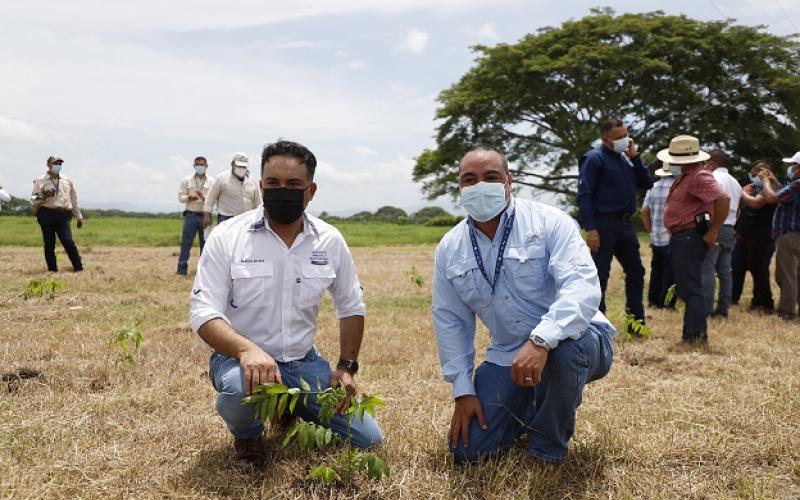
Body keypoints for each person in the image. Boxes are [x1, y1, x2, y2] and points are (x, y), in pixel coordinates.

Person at [189, 140, 381, 466]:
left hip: (302, 362)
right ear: (261, 186)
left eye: (293, 184)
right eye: (273, 183)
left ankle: (290, 405)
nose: (282, 191)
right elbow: (203, 312)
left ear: (311, 190)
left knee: (368, 438)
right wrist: (245, 350)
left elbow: (351, 306)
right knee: (238, 390)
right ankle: (248, 436)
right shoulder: (228, 236)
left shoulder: (329, 240)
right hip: (240, 361)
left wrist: (346, 368)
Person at [433, 146, 616, 464]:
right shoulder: (451, 247)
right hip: (508, 354)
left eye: (491, 177)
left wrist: (542, 340)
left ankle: (547, 448)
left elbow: (581, 288)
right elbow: (450, 320)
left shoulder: (550, 223)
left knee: (564, 352)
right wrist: (463, 390)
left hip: (579, 340)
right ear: (460, 187)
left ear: (509, 181)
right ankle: (534, 407)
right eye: (469, 179)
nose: (480, 186)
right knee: (468, 451)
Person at [578, 118, 654, 330]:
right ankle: (598, 327)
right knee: (600, 276)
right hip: (603, 225)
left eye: (626, 135)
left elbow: (647, 183)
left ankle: (636, 324)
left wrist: (636, 157)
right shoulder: (594, 159)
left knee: (636, 271)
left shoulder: (626, 159)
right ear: (606, 139)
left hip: (625, 225)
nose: (626, 140)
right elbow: (584, 195)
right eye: (620, 138)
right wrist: (590, 228)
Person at [661, 136, 730, 344]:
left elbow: (723, 198)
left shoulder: (699, 176)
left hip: (689, 236)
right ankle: (691, 334)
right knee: (688, 288)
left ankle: (695, 336)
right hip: (683, 236)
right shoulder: (686, 176)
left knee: (691, 289)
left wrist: (714, 230)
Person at [758, 152, 800, 319]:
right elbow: (784, 194)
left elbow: (772, 198)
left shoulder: (798, 185)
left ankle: (786, 312)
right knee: (796, 275)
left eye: (794, 165)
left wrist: (765, 181)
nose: (792, 169)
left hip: (789, 235)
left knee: (786, 275)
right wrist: (774, 181)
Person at [701, 150, 742, 318]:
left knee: (707, 268)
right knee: (725, 270)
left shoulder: (714, 179)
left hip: (716, 225)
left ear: (713, 162)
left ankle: (706, 308)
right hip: (730, 227)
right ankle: (723, 308)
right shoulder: (735, 183)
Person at [735, 162, 779, 312]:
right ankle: (755, 300)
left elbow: (756, 203)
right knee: (750, 268)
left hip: (761, 236)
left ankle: (765, 303)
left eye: (755, 175)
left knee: (759, 269)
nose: (753, 178)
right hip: (747, 235)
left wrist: (741, 192)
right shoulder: (755, 188)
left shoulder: (771, 188)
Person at [30, 156, 84, 273]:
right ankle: (52, 270)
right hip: (46, 213)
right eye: (55, 163)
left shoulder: (67, 180)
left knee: (68, 241)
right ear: (48, 164)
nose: (58, 165)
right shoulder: (40, 180)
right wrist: (44, 195)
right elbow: (33, 198)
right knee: (49, 243)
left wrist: (79, 216)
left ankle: (78, 268)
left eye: (60, 163)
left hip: (64, 214)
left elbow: (74, 199)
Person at [641, 165, 676, 309]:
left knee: (656, 270)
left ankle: (653, 301)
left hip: (656, 238)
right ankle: (666, 303)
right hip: (671, 236)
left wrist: (651, 231)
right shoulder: (676, 187)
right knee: (670, 272)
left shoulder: (653, 187)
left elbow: (644, 211)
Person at [176, 156, 214, 276]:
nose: (199, 167)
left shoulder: (212, 182)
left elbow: (214, 199)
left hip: (205, 216)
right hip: (190, 215)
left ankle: (204, 272)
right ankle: (181, 270)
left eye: (202, 165)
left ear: (206, 166)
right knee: (186, 243)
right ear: (193, 166)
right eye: (197, 164)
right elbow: (180, 197)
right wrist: (188, 197)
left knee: (206, 245)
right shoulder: (187, 180)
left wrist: (204, 197)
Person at [203, 152, 260, 228]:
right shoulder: (221, 178)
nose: (241, 168)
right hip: (226, 218)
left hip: (246, 219)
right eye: (239, 166)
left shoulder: (252, 181)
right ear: (232, 164)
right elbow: (211, 197)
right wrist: (207, 214)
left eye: (243, 166)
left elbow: (258, 201)